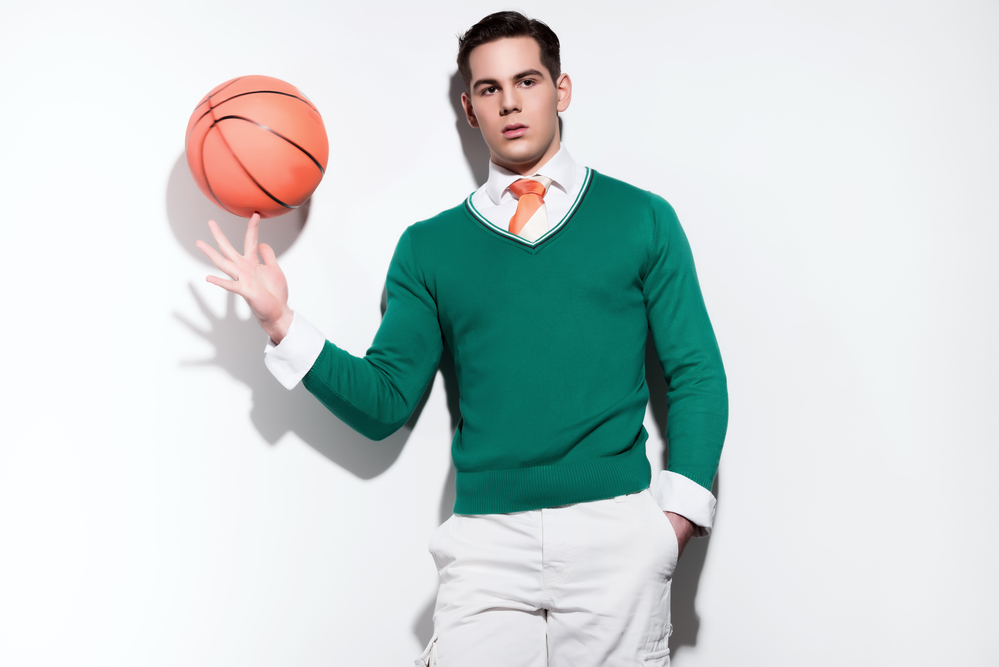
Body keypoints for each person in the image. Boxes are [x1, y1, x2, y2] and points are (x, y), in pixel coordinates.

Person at [197, 11, 727, 667]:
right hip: (486, 545)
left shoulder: (641, 218)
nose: (510, 102)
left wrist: (674, 523)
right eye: (488, 88)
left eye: (527, 81)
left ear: (560, 90)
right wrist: (281, 320)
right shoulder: (430, 247)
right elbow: (384, 401)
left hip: (614, 533)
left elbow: (696, 373)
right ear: (469, 108)